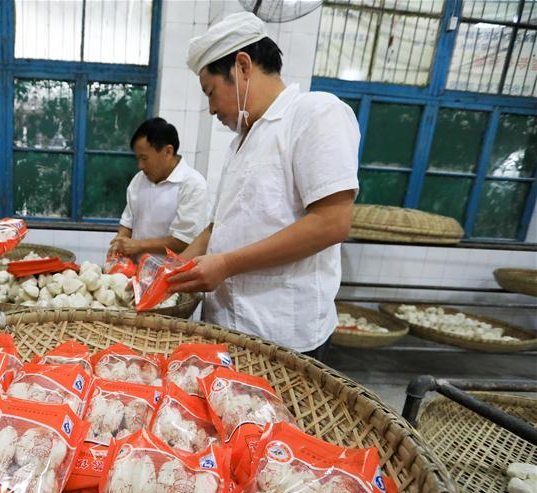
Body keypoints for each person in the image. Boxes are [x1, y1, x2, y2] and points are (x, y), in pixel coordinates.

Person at [169, 12, 360, 360]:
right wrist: (176, 266)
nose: (211, 109)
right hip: (229, 327)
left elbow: (332, 222)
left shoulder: (315, 114)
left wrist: (225, 264)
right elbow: (222, 226)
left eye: (211, 93)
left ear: (242, 66)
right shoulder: (241, 143)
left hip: (283, 337)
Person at [108, 118, 209, 261]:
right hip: (136, 270)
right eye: (137, 159)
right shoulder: (139, 179)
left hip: (169, 275)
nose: (140, 166)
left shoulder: (193, 184)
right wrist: (120, 240)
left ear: (168, 151)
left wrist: (139, 245)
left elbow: (184, 240)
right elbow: (127, 223)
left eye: (144, 158)